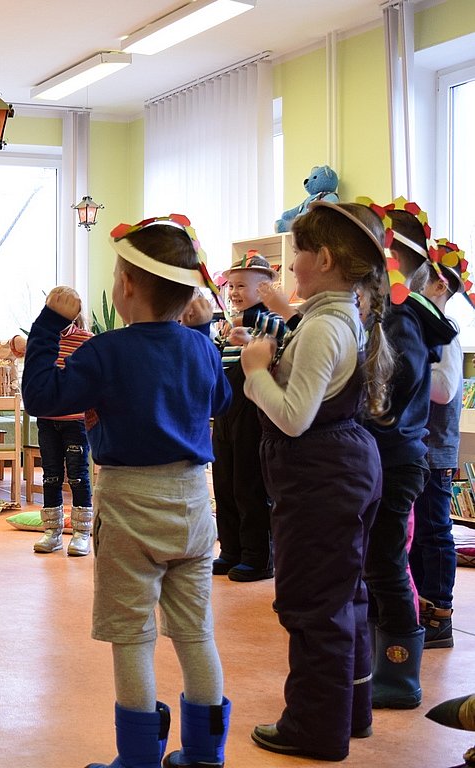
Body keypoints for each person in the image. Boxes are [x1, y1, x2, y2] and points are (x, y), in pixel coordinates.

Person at [22, 216, 232, 768]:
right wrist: (201, 335)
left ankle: (138, 759)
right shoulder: (201, 348)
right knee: (196, 632)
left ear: (129, 286)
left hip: (129, 504)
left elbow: (42, 396)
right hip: (193, 501)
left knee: (133, 635)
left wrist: (49, 324)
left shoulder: (106, 351)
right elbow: (219, 401)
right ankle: (206, 755)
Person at [241, 201, 392, 761]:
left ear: (324, 259)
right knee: (343, 596)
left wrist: (256, 372)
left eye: (297, 253)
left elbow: (293, 417)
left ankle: (314, 728)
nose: (289, 266)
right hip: (341, 470)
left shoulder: (326, 325)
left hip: (322, 477)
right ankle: (350, 712)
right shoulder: (337, 315)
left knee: (313, 605)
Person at [359, 200, 457, 710]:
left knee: (386, 563)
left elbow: (397, 385)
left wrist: (366, 405)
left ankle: (399, 675)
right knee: (376, 561)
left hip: (395, 457)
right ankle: (381, 660)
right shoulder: (392, 313)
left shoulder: (401, 316)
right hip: (388, 455)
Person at [409, 239, 468, 651]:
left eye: (418, 272)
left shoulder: (444, 335)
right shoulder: (421, 330)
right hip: (416, 450)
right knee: (415, 532)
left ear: (439, 285)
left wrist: (408, 367)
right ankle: (419, 605)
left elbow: (444, 391)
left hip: (434, 451)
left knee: (434, 531)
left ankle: (440, 613)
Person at [210, 253, 283, 582]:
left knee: (249, 484)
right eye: (232, 286)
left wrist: (251, 339)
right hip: (226, 412)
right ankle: (231, 549)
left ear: (264, 289)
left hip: (254, 412)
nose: (234, 292)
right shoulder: (229, 323)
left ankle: (258, 555)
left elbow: (277, 353)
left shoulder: (272, 322)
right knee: (224, 482)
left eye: (242, 286)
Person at [29, 314, 95, 557]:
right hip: (47, 420)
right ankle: (52, 532)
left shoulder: (86, 340)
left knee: (77, 476)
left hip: (75, 421)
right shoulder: (43, 339)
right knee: (50, 476)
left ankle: (81, 533)